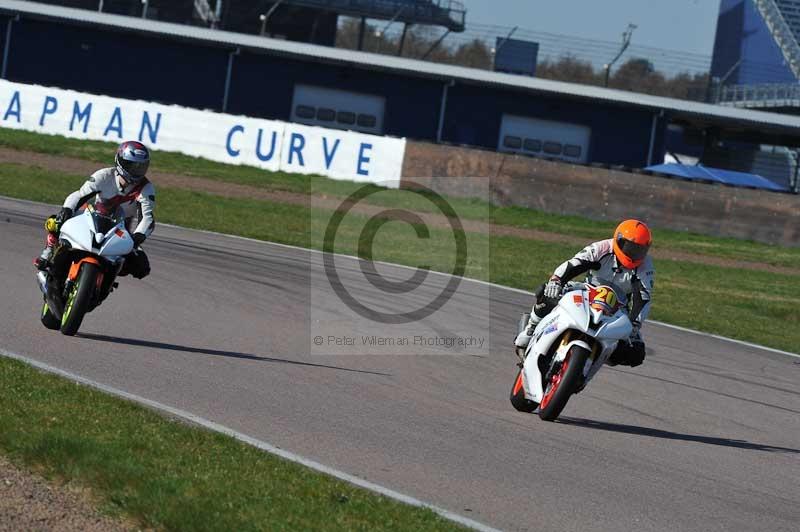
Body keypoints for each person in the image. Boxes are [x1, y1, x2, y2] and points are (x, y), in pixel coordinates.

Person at [514, 219, 655, 367]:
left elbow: (643, 299)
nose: (635, 254)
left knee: (637, 353)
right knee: (547, 293)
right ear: (618, 241)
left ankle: (597, 356)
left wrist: (634, 324)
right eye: (631, 248)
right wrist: (557, 281)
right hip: (587, 291)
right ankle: (531, 329)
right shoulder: (602, 248)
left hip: (618, 305)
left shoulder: (645, 266)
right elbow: (574, 264)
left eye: (640, 250)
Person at [34, 140, 155, 280]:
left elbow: (147, 218)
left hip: (120, 229)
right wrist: (67, 209)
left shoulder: (146, 188)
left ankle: (107, 280)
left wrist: (138, 237)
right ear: (121, 162)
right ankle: (49, 250)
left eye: (141, 167)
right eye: (132, 165)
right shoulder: (103, 175)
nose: (137, 171)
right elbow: (80, 195)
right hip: (90, 216)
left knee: (141, 267)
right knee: (55, 221)